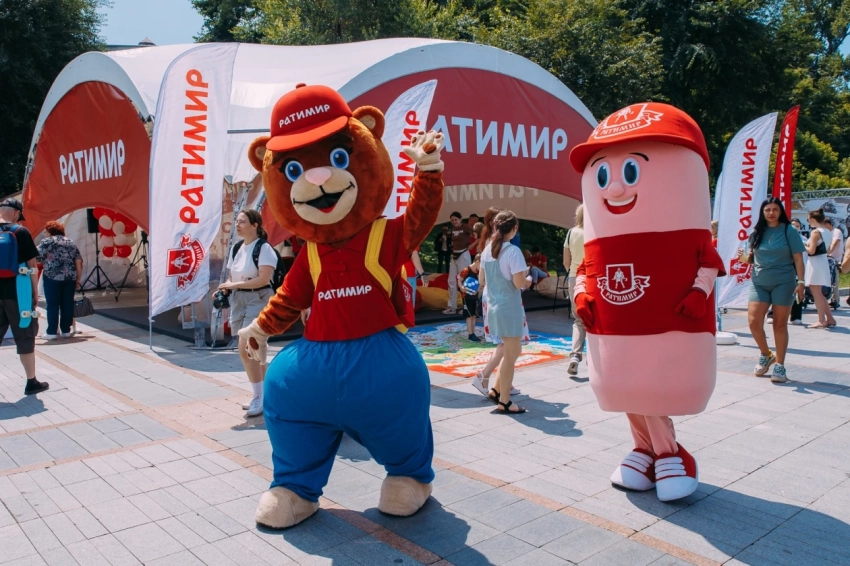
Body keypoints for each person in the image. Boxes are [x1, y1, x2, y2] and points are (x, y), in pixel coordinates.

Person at [217, 209, 278, 417]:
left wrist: (234, 285)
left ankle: (258, 397)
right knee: (256, 351)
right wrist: (227, 288)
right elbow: (233, 276)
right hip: (239, 300)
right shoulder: (237, 248)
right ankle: (268, 393)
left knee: (246, 347)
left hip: (258, 298)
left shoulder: (264, 248)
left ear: (255, 225)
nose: (237, 224)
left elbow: (263, 279)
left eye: (242, 221)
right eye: (236, 221)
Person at [738, 198, 806, 382]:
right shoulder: (757, 232)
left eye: (775, 209)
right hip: (759, 282)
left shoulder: (788, 230)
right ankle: (766, 354)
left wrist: (801, 282)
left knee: (779, 324)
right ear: (762, 212)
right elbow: (752, 259)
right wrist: (743, 258)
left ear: (780, 211)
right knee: (753, 322)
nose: (771, 213)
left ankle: (780, 366)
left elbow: (798, 259)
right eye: (767, 209)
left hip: (784, 282)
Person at [479, 210, 530, 414]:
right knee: (510, 356)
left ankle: (496, 391)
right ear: (514, 228)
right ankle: (505, 401)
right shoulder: (513, 251)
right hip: (509, 308)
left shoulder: (487, 250)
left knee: (512, 351)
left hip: (494, 307)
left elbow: (482, 280)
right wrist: (527, 280)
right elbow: (518, 283)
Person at [0, 198, 48, 395]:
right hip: (19, 292)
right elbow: (32, 266)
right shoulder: (20, 231)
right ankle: (31, 382)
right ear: (16, 213)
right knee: (25, 335)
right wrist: (35, 293)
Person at [36, 221, 82, 339]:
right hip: (70, 277)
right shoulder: (70, 242)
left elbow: (37, 258)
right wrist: (78, 278)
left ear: (50, 231)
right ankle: (66, 330)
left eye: (46, 232)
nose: (45, 234)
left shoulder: (46, 242)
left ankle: (51, 332)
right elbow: (78, 261)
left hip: (52, 277)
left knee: (52, 304)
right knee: (67, 303)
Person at [562, 204, 586, 376]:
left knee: (578, 319)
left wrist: (572, 272)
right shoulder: (596, 231)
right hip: (594, 278)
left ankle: (575, 356)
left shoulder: (571, 233)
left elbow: (566, 261)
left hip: (574, 278)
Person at [804, 208, 836, 329]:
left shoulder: (815, 232)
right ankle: (830, 318)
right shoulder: (827, 231)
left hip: (815, 262)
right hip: (822, 261)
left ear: (813, 219)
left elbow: (811, 250)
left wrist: (802, 245)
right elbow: (828, 249)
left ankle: (821, 320)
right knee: (819, 293)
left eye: (808, 219)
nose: (808, 221)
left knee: (816, 292)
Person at [444, 211, 475, 314]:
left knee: (465, 280)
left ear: (461, 219)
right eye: (452, 220)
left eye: (456, 220)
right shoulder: (453, 229)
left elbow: (479, 235)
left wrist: (473, 245)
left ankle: (467, 306)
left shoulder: (466, 227)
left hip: (463, 254)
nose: (454, 222)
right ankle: (452, 307)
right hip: (454, 255)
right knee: (451, 281)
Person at [458, 254, 482, 342]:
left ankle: (473, 332)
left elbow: (481, 283)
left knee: (474, 315)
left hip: (474, 297)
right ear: (477, 262)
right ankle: (470, 334)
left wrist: (478, 290)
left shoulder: (479, 272)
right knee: (469, 316)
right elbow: (459, 280)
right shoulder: (466, 270)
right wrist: (461, 287)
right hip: (467, 296)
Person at [789, 218, 807, 325]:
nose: (795, 228)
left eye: (797, 226)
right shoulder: (785, 238)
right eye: (793, 226)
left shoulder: (804, 239)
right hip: (787, 268)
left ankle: (796, 316)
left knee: (798, 291)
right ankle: (772, 314)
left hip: (799, 268)